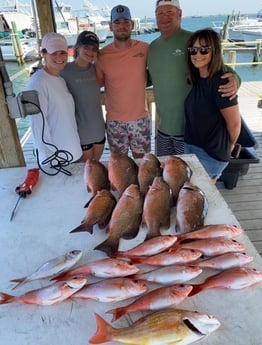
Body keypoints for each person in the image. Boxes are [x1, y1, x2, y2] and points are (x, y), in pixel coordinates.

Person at [147, 0, 240, 156]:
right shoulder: (152, 47)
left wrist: (236, 79)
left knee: (190, 178)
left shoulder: (193, 41)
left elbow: (221, 67)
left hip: (190, 133)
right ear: (155, 16)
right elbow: (151, 76)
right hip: (163, 130)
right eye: (160, 13)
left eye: (170, 12)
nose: (165, 17)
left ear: (180, 14)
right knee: (165, 177)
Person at [184, 28, 241, 183]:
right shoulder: (197, 78)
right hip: (191, 147)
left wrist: (229, 146)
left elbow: (235, 124)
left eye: (204, 50)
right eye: (193, 50)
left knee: (198, 198)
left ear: (214, 51)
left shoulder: (221, 82)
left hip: (210, 155)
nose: (197, 54)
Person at [95, 4, 151, 159]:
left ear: (132, 25)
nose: (122, 27)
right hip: (115, 122)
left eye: (126, 22)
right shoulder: (102, 55)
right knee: (120, 166)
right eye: (117, 23)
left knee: (143, 165)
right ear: (110, 26)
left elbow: (165, 65)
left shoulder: (145, 48)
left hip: (140, 119)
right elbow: (96, 83)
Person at [27, 32, 82, 169]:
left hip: (73, 155)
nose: (59, 57)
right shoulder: (38, 83)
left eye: (62, 52)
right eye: (53, 52)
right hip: (58, 163)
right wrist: (52, 161)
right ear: (43, 53)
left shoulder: (60, 79)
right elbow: (37, 126)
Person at [60, 31, 106, 161]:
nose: (90, 52)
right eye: (86, 47)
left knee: (95, 168)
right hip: (80, 132)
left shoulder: (96, 69)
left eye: (94, 49)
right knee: (84, 171)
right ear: (77, 47)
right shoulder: (64, 70)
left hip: (99, 130)